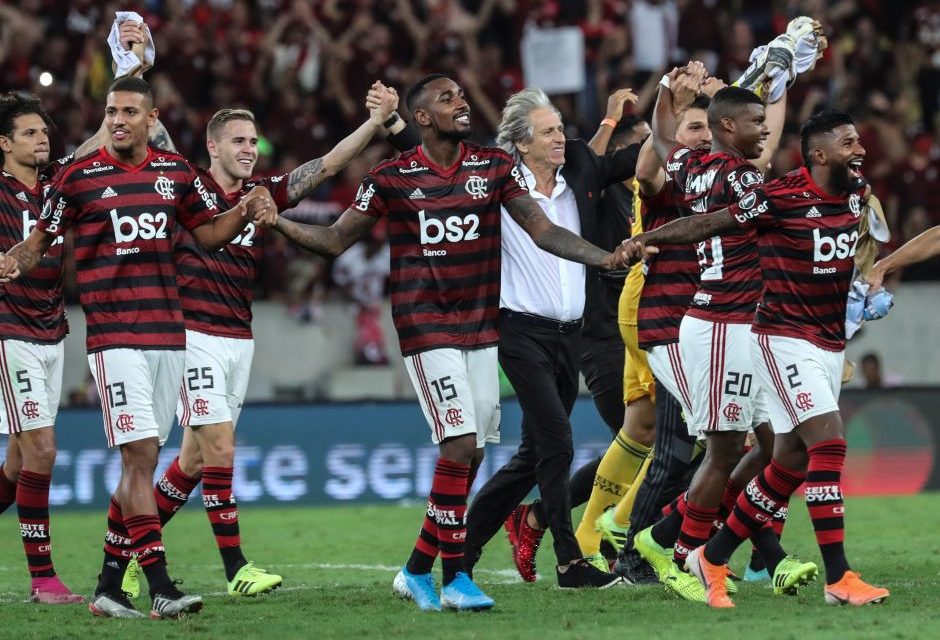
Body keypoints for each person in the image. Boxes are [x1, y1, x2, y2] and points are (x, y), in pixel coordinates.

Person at [271, 74, 628, 610]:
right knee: (459, 445)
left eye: (463, 95)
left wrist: (604, 258)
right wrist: (277, 221)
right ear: (421, 118)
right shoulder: (390, 177)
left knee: (476, 450)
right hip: (425, 325)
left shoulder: (492, 167)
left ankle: (417, 569)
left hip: (482, 328)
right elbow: (332, 240)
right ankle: (457, 576)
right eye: (448, 99)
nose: (461, 103)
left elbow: (542, 231)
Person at [0, 76, 276, 619]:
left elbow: (209, 234)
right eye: (111, 110)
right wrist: (15, 261)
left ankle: (108, 585)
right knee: (140, 456)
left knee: (143, 466)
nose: (119, 118)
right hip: (114, 336)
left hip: (169, 335)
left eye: (129, 110)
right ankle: (159, 586)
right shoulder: (78, 178)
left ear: (152, 120)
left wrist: (246, 208)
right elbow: (41, 241)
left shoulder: (177, 174)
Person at [121, 86, 400, 600]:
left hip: (238, 338)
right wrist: (133, 68)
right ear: (214, 147)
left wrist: (377, 123)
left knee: (193, 464)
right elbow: (143, 134)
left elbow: (327, 165)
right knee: (222, 448)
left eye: (254, 140)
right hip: (193, 335)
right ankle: (236, 569)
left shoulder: (264, 191)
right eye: (239, 141)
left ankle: (127, 555)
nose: (250, 148)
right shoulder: (186, 184)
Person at [626, 109, 890, 608]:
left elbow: (857, 248)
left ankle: (712, 555)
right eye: (849, 143)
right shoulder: (779, 195)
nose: (859, 150)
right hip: (780, 337)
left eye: (859, 142)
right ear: (819, 154)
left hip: (828, 340)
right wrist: (649, 237)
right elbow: (710, 222)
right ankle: (839, 578)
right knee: (825, 444)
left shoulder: (856, 194)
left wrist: (866, 282)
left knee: (785, 456)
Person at [630, 66, 791, 599]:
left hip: (740, 322)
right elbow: (725, 224)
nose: (764, 132)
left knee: (775, 446)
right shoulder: (739, 177)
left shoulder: (694, 163)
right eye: (755, 123)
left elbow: (660, 135)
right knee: (724, 451)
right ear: (727, 126)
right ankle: (687, 554)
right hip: (723, 322)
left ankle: (677, 534)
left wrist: (663, 98)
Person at [0, 93, 84, 605]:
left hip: (52, 329)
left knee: (16, 464)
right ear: (4, 143)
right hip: (10, 330)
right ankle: (44, 581)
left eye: (44, 132)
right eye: (29, 133)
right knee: (43, 450)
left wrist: (131, 71)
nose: (42, 139)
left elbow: (98, 144)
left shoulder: (58, 184)